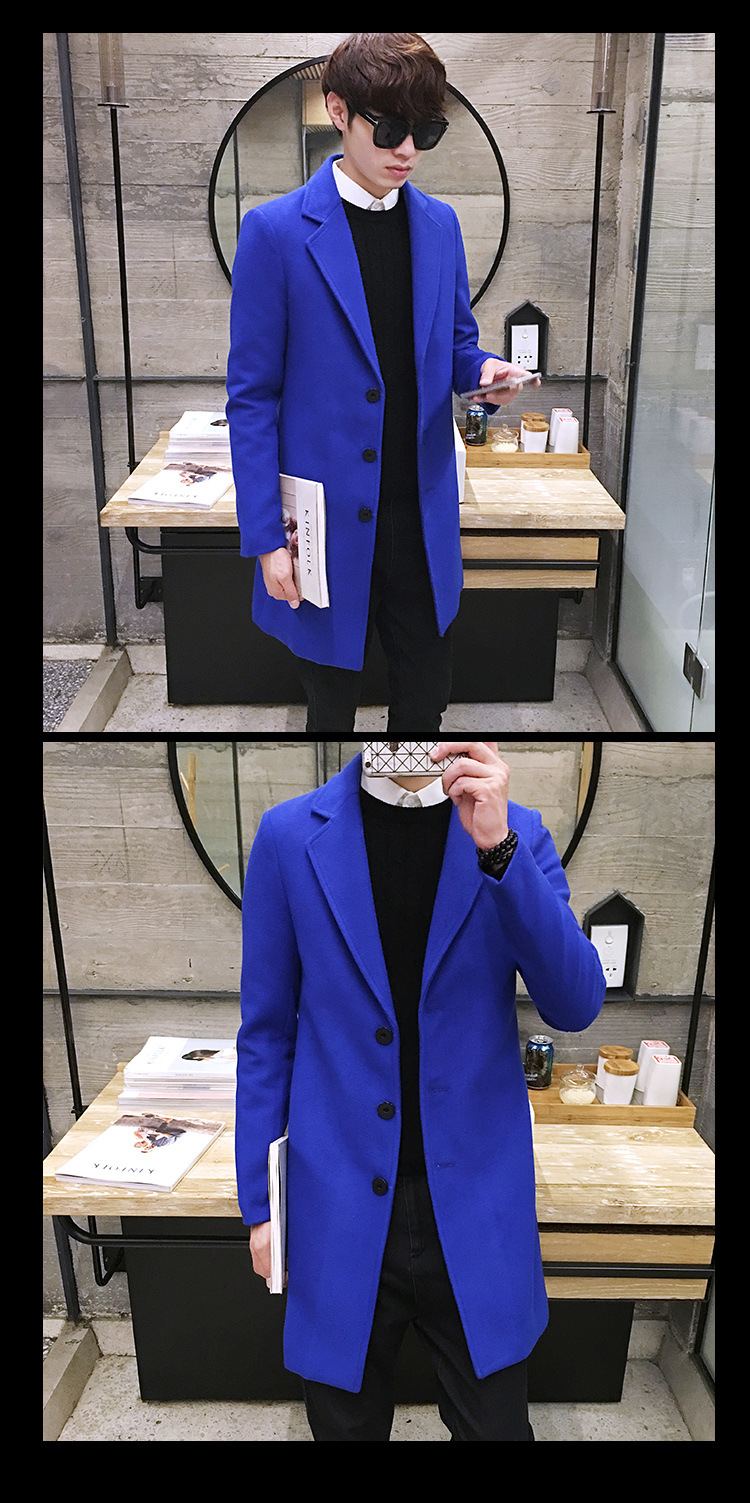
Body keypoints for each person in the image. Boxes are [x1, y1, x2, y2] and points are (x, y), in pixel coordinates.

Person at [235, 741, 606, 1441]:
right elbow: (266, 1034)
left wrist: (500, 851)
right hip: (335, 1202)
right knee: (343, 1429)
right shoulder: (288, 836)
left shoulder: (515, 831)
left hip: (475, 1202)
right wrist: (262, 1206)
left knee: (497, 1428)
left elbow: (576, 1002)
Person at [226, 35, 538, 733]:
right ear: (338, 111)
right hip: (324, 524)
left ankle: (403, 801)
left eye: (426, 132)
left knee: (424, 706)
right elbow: (251, 397)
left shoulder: (439, 225)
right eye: (391, 129)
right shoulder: (274, 232)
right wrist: (266, 540)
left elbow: (455, 345)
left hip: (422, 519)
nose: (408, 151)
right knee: (329, 710)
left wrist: (483, 373)